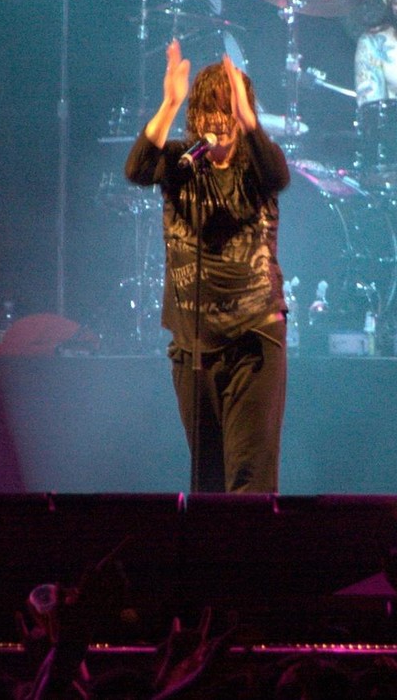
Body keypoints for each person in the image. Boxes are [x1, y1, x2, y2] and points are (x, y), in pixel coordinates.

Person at [125, 40, 291, 492]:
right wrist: (170, 103)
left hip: (253, 341)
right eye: (207, 113)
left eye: (226, 112)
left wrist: (248, 118)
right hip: (193, 345)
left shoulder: (256, 166)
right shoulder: (182, 164)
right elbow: (137, 168)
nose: (217, 123)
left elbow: (278, 175)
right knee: (208, 482)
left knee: (248, 477)